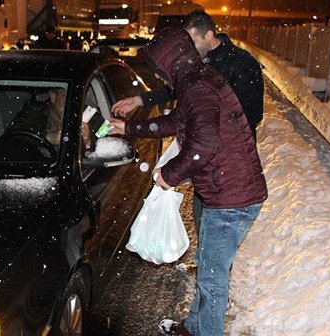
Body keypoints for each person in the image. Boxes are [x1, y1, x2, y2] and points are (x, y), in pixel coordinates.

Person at [108, 26, 268, 336]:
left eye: (159, 67)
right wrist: (130, 128)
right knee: (209, 270)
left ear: (170, 62)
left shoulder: (197, 87)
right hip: (229, 191)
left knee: (211, 277)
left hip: (231, 198)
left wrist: (169, 175)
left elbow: (203, 145)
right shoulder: (197, 82)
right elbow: (175, 122)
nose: (159, 75)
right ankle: (196, 327)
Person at [111, 9, 264, 232]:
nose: (187, 48)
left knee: (217, 226)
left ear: (209, 35)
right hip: (210, 165)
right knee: (203, 215)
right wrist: (140, 101)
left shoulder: (240, 64)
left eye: (191, 40)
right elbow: (177, 96)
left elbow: (250, 114)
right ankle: (208, 254)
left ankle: (211, 258)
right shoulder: (195, 70)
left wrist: (221, 137)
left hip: (227, 164)